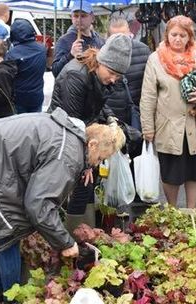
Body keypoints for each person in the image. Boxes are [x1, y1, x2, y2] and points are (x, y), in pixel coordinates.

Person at [0, 107, 125, 304]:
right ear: (91, 144)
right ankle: (10, 299)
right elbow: (39, 203)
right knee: (8, 232)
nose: (97, 164)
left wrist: (85, 165)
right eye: (100, 158)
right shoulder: (67, 156)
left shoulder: (69, 136)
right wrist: (65, 242)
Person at [49, 33, 132, 231]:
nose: (113, 79)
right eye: (111, 73)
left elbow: (98, 105)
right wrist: (87, 161)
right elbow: (72, 122)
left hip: (84, 133)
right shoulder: (75, 76)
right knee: (79, 184)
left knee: (86, 186)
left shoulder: (99, 75)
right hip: (62, 135)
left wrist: (111, 118)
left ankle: (84, 233)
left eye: (118, 76)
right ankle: (72, 238)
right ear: (101, 62)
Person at [140, 16, 196, 209]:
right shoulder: (155, 60)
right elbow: (148, 98)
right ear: (167, 35)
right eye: (174, 34)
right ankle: (172, 212)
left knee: (195, 172)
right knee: (171, 173)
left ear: (189, 37)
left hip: (195, 126)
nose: (178, 39)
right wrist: (148, 129)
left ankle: (191, 212)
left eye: (182, 35)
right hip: (167, 127)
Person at [104, 18, 151, 130]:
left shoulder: (143, 51)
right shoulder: (102, 54)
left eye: (123, 36)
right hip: (113, 115)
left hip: (138, 112)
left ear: (130, 34)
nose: (120, 41)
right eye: (115, 38)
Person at [52, 0, 105, 77]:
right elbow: (55, 71)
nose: (79, 19)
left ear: (92, 18)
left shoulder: (100, 41)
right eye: (76, 16)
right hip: (74, 86)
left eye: (83, 16)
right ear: (71, 17)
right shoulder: (64, 41)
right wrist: (70, 55)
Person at [6, 19, 47, 113]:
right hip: (37, 95)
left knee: (21, 126)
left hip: (19, 97)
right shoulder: (42, 49)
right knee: (36, 124)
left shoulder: (12, 54)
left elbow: (8, 76)